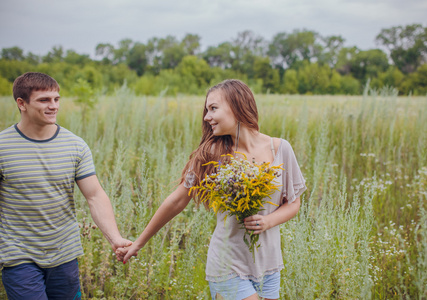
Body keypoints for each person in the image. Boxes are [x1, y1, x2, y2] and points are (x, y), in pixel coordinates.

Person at [117, 79, 307, 300]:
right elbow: (178, 200)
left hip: (269, 264)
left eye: (213, 109)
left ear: (237, 107)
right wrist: (139, 242)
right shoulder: (211, 155)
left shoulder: (280, 149)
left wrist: (267, 222)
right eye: (206, 110)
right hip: (228, 263)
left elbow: (293, 203)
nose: (207, 117)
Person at [0, 72, 132, 300]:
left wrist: (114, 238)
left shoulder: (75, 145)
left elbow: (95, 196)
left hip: (64, 253)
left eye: (56, 99)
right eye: (44, 100)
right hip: (18, 256)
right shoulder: (3, 146)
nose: (53, 106)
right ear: (21, 103)